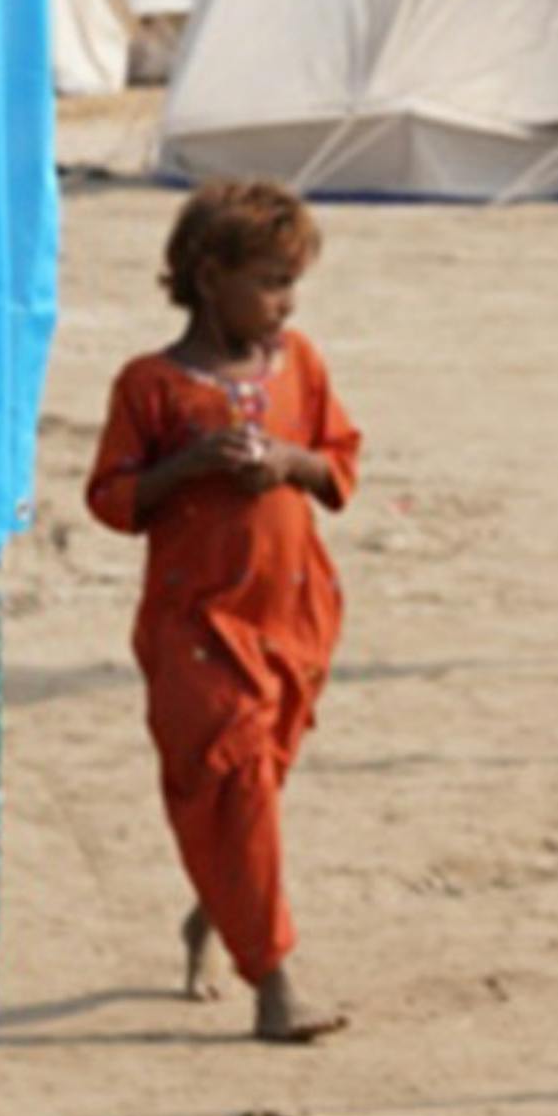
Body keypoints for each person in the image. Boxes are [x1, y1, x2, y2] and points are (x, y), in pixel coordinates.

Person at [86, 177, 364, 1043]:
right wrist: (195, 464)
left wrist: (287, 460)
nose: (284, 304)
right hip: (196, 633)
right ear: (210, 277)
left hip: (294, 615)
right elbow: (114, 499)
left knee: (256, 789)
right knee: (233, 780)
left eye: (292, 285)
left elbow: (338, 466)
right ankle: (275, 981)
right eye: (270, 282)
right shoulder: (152, 386)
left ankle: (216, 910)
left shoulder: (301, 365)